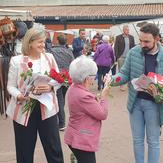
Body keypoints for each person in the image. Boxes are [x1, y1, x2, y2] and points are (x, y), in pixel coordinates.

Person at [111, 23, 163, 163]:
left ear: (157, 39)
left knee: (153, 141)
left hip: (154, 105)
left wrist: (161, 92)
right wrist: (112, 80)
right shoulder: (134, 52)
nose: (142, 44)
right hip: (135, 102)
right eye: (140, 40)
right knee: (137, 140)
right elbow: (125, 73)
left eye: (147, 41)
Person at [6, 27, 64, 163]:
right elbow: (10, 86)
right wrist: (19, 95)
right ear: (29, 42)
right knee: (24, 150)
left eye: (43, 42)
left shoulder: (49, 58)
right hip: (23, 110)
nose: (43, 45)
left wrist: (50, 86)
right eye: (39, 42)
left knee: (53, 148)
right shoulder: (16, 61)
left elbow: (59, 80)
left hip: (48, 110)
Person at [64, 56, 110, 163]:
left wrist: (95, 98)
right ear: (87, 78)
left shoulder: (73, 87)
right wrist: (104, 96)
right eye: (94, 76)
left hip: (74, 136)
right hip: (82, 139)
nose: (95, 78)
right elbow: (102, 114)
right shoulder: (84, 96)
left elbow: (85, 103)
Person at [51, 34, 74, 131]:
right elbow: (72, 64)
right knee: (62, 99)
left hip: (56, 77)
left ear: (57, 41)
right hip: (66, 78)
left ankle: (61, 122)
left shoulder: (52, 51)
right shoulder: (69, 52)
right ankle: (60, 120)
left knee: (59, 100)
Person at [114, 25, 135, 91]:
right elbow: (116, 47)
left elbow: (133, 47)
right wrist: (117, 57)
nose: (127, 31)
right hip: (121, 57)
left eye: (128, 30)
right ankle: (121, 85)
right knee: (121, 72)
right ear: (123, 30)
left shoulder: (131, 37)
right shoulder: (118, 37)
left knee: (130, 71)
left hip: (129, 57)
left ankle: (129, 84)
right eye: (126, 30)